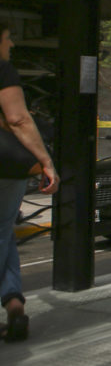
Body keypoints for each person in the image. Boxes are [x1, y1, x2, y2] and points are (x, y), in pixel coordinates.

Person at [0, 22, 59, 342]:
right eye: (8, 39)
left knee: (5, 231)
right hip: (5, 169)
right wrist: (46, 161)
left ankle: (12, 302)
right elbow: (18, 118)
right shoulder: (4, 70)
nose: (10, 45)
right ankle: (12, 302)